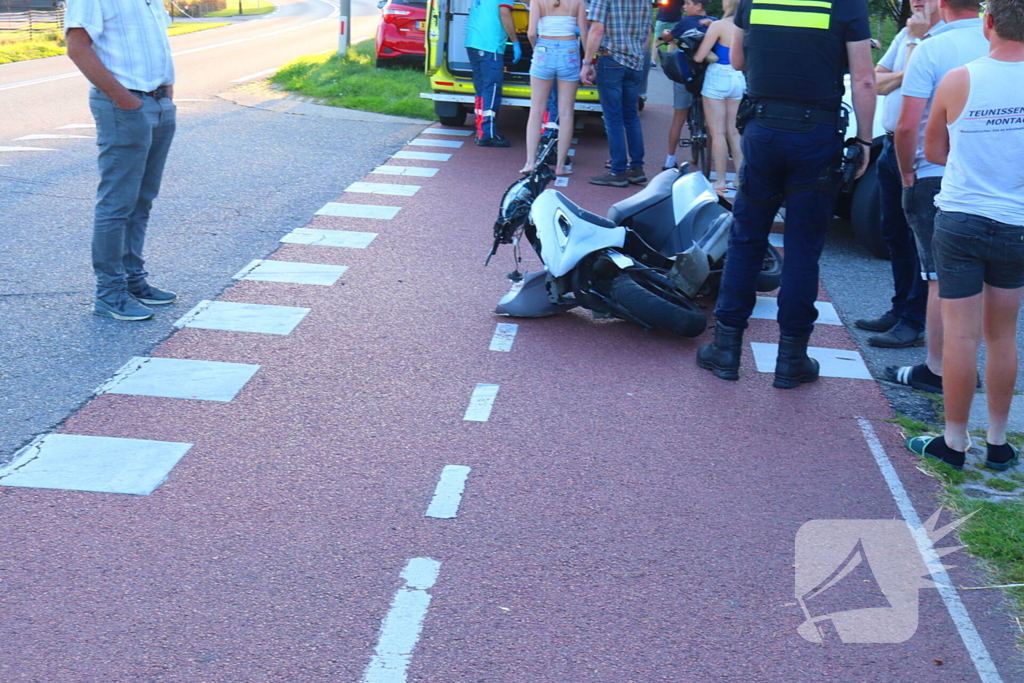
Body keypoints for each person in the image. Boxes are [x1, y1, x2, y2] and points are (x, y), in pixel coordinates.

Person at [696, 0, 876, 388]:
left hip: (763, 128)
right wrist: (864, 140)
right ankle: (791, 358)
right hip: (816, 136)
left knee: (746, 240)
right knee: (802, 248)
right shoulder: (847, 4)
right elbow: (863, 78)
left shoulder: (753, 1)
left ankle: (726, 350)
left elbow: (740, 60)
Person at [905, 0, 1024, 472]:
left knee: (960, 336)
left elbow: (932, 148)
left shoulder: (959, 78)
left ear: (988, 23)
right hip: (1017, 221)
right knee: (1002, 336)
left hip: (961, 217)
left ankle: (954, 441)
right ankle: (998, 441)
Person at [887, 0, 988, 393]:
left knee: (938, 279)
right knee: (986, 283)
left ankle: (937, 368)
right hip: (990, 178)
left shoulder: (933, 47)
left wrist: (906, 169)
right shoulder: (999, 45)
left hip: (935, 172)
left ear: (942, 4)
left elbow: (908, 124)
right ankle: (969, 369)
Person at [64, 0, 178, 321]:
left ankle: (132, 281)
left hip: (157, 102)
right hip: (125, 104)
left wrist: (166, 93)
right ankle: (109, 293)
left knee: (141, 200)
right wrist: (123, 99)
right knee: (117, 203)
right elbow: (77, 46)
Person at [854, 0, 942, 349]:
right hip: (891, 146)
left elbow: (897, 85)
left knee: (919, 241)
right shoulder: (909, 33)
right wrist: (911, 54)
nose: (917, 1)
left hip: (922, 155)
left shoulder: (939, 40)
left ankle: (913, 321)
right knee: (893, 234)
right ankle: (900, 308)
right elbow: (878, 82)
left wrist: (914, 52)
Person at [581, 0, 651, 187]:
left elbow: (597, 29)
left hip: (611, 59)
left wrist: (587, 63)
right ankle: (637, 168)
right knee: (631, 116)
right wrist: (637, 55)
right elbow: (647, 34)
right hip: (635, 61)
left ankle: (618, 170)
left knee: (613, 118)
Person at [521, 0, 589, 174]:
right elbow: (584, 33)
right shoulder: (578, 2)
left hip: (544, 48)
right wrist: (588, 62)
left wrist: (538, 48)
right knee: (566, 113)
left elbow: (530, 33)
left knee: (536, 110)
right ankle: (560, 166)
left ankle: (530, 162)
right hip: (569, 51)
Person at [692, 0, 744, 192]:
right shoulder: (747, 25)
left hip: (718, 77)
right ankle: (740, 178)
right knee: (733, 131)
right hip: (738, 77)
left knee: (717, 133)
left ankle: (720, 180)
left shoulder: (719, 26)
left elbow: (699, 56)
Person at [659, 0, 715, 170]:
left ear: (698, 6)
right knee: (712, 119)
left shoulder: (684, 22)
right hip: (706, 77)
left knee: (678, 118)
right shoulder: (714, 22)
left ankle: (670, 159)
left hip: (686, 75)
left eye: (688, 3)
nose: (684, 6)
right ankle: (711, 154)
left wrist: (666, 32)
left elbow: (668, 38)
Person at [467, 0, 521, 147]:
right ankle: (488, 134)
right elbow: (504, 15)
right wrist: (515, 41)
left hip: (473, 42)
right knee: (492, 88)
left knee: (481, 89)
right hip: (490, 45)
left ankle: (480, 130)